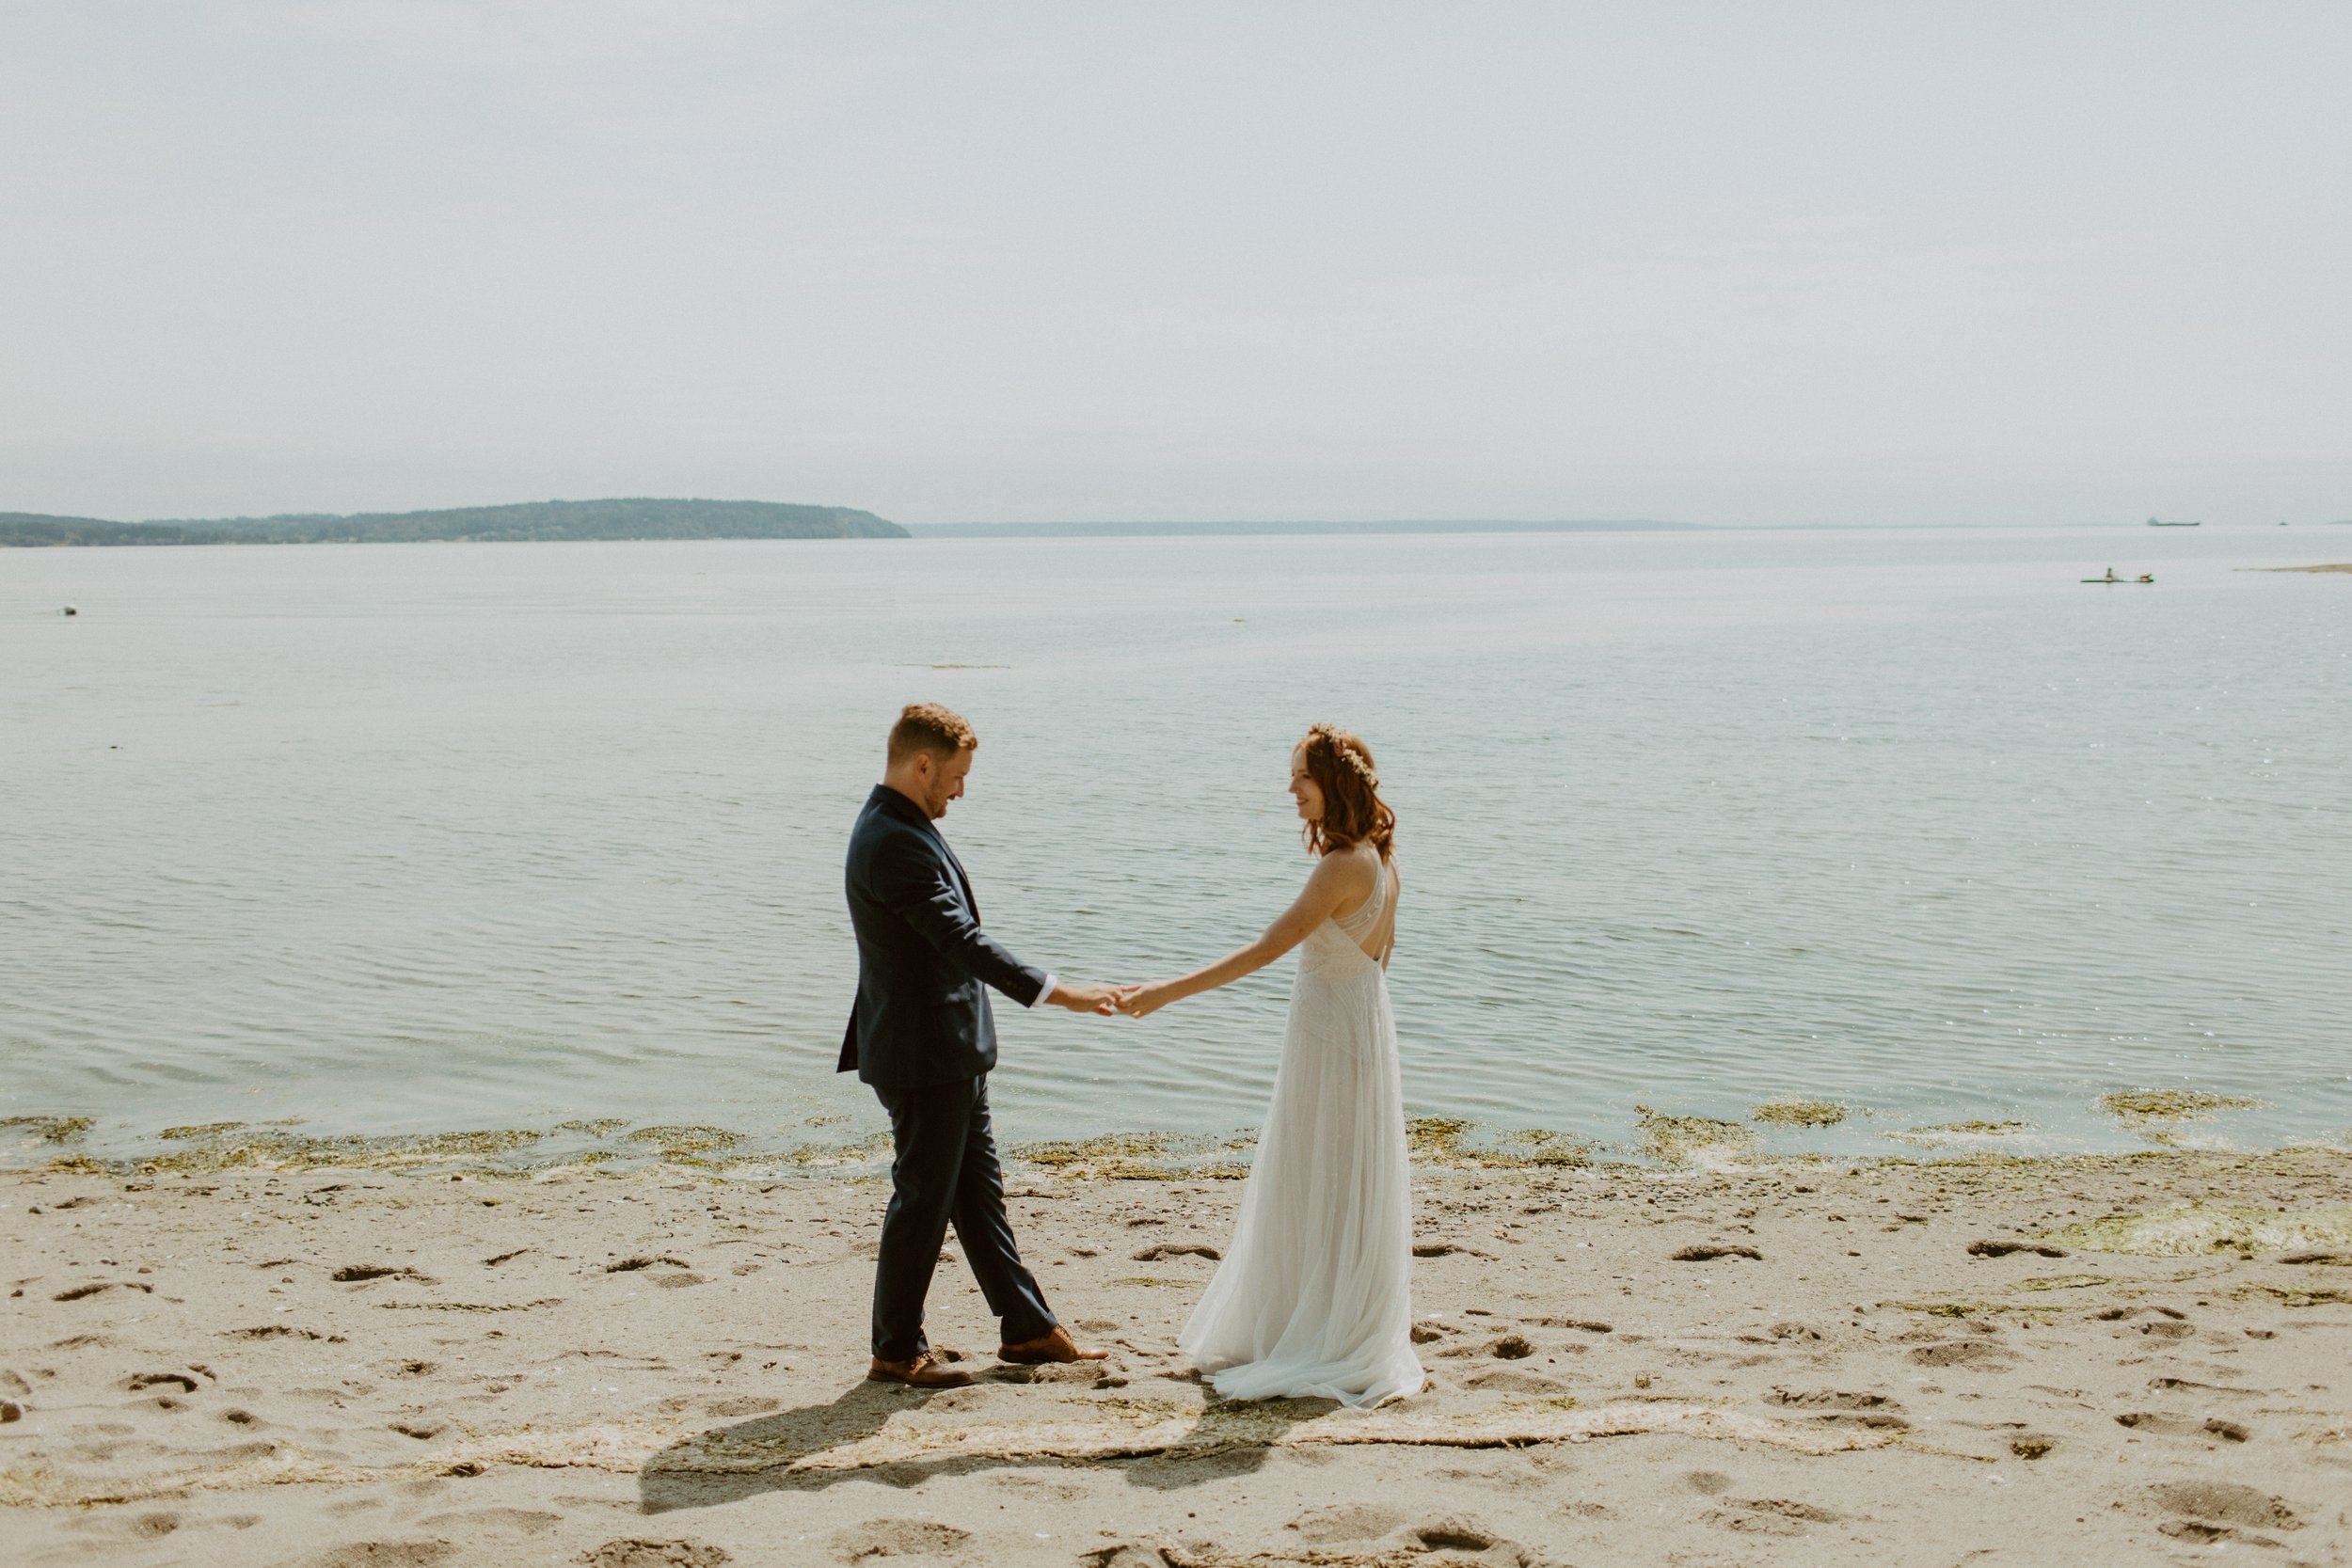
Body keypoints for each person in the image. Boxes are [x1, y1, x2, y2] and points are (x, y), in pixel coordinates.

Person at [1117, 724, 1425, 1407]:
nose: (1290, 789)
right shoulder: (1380, 859)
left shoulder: (1341, 866)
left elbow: (1265, 950)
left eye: (1301, 778)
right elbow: (1379, 963)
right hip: (1360, 1034)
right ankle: (1318, 1314)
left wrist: (1164, 992)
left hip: (1330, 1042)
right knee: (1335, 1180)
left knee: (1312, 1175)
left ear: (1333, 783)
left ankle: (1311, 1328)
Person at [841, 703, 1123, 1388]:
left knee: (976, 1195)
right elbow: (961, 941)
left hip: (948, 1049)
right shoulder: (893, 840)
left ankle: (1026, 1327)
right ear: (922, 765)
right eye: (957, 776)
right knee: (923, 1198)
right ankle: (894, 1348)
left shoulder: (899, 825)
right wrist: (1063, 991)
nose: (961, 790)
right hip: (923, 1053)